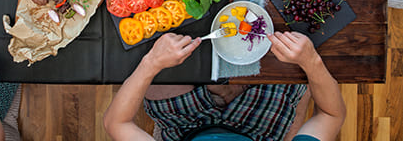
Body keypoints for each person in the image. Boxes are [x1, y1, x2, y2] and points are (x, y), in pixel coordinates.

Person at [104, 31, 346, 141]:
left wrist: (151, 63)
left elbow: (117, 123)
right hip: (258, 129)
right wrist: (310, 61)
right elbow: (331, 115)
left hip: (186, 127)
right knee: (290, 72)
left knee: (157, 80)